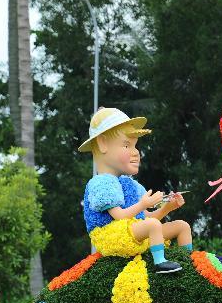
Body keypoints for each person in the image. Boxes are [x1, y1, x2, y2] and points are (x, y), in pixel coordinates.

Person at [78, 108, 193, 273]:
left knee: (182, 226)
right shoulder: (101, 183)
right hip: (112, 235)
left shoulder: (130, 184)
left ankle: (188, 264)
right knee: (153, 225)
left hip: (134, 231)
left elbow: (145, 217)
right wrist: (143, 203)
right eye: (126, 145)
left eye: (135, 145)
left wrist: (168, 207)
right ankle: (160, 263)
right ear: (102, 144)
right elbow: (119, 216)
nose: (136, 152)